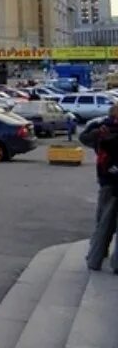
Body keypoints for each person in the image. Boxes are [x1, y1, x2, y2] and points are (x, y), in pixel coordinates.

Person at [81, 104, 118, 270]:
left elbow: (84, 137)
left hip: (107, 181)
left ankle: (95, 259)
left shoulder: (102, 131)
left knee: (103, 223)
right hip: (111, 181)